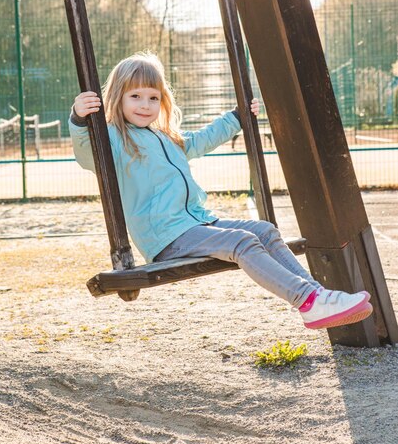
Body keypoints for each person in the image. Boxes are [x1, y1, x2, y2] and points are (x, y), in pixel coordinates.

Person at [69, 51, 373, 330]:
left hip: (195, 224)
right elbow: (87, 155)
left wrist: (236, 118)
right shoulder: (116, 140)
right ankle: (307, 300)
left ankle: (317, 297)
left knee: (265, 231)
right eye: (135, 96)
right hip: (166, 236)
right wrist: (80, 119)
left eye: (152, 97)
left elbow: (202, 139)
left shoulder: (164, 137)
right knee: (241, 242)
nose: (145, 105)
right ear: (117, 99)